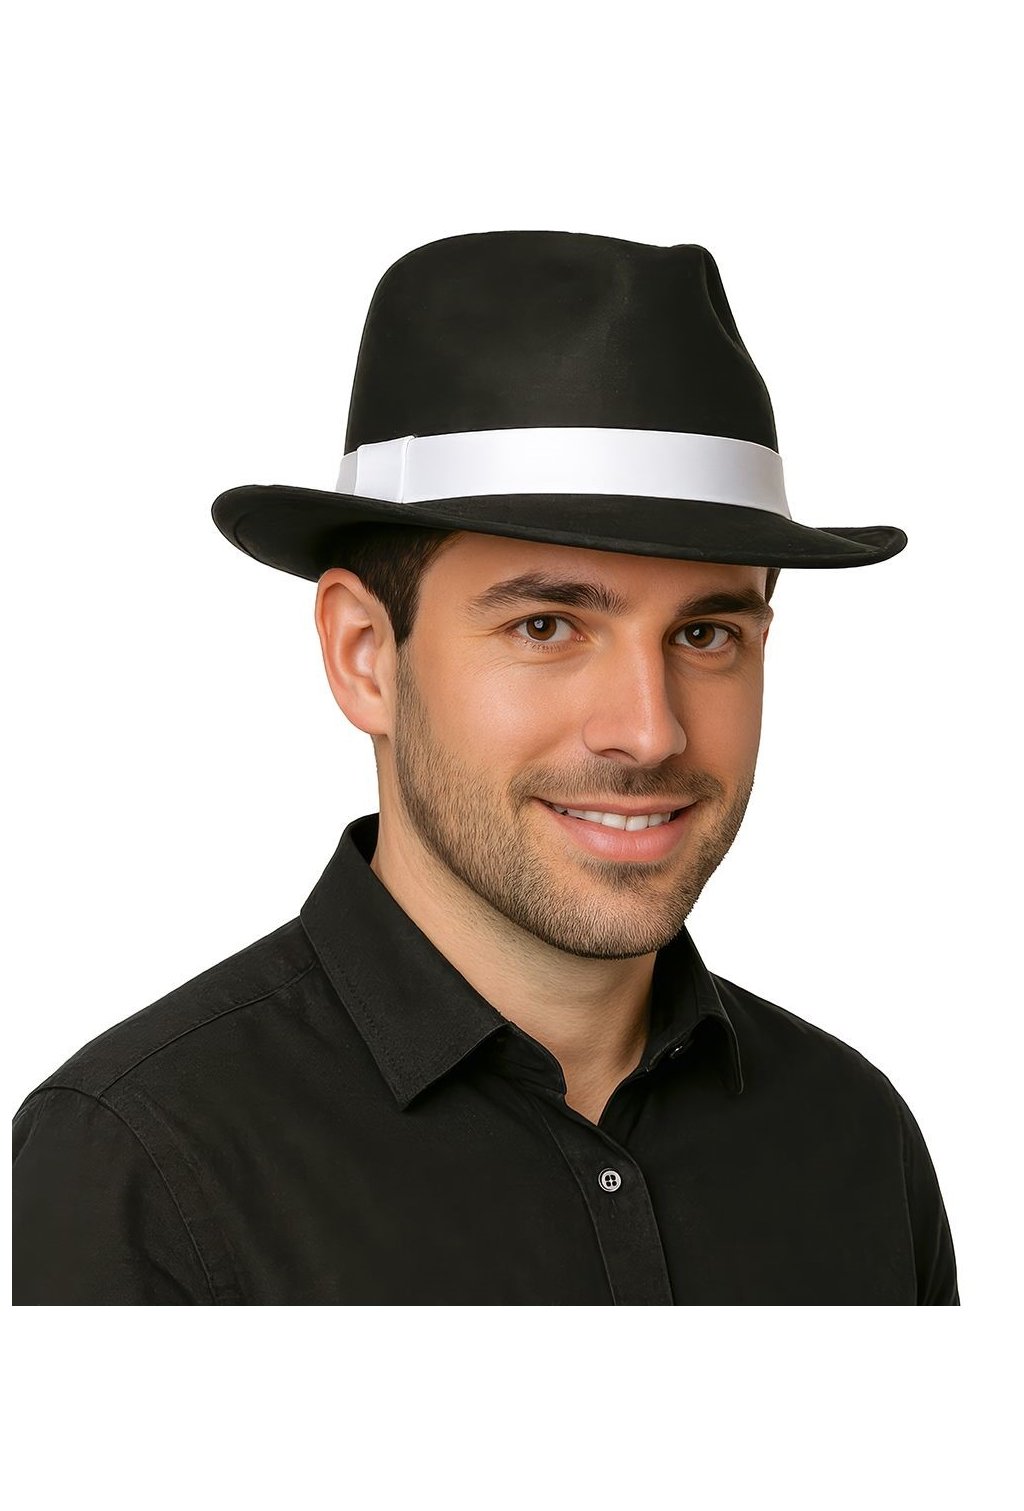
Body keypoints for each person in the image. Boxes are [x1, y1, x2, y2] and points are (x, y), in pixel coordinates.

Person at [12, 230, 959, 1305]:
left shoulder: (855, 1140)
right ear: (365, 658)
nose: (649, 732)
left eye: (705, 635)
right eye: (546, 626)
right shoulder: (142, 1167)